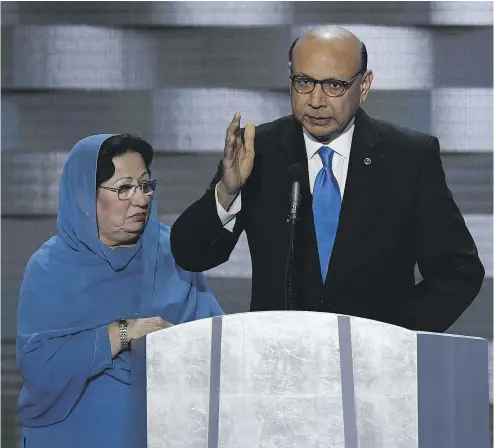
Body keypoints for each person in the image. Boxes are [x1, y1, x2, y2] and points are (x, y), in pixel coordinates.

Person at [170, 25, 484, 333]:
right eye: (304, 82)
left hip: (378, 369)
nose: (316, 100)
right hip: (280, 364)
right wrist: (227, 192)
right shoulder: (258, 150)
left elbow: (458, 270)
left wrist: (395, 336)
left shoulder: (409, 157)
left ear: (364, 85)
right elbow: (191, 254)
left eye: (334, 85)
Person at [16, 133, 223, 447]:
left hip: (167, 432)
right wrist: (120, 333)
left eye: (144, 185)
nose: (140, 199)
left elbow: (217, 339)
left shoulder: (170, 251)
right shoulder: (50, 268)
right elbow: (40, 368)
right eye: (124, 188)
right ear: (84, 197)